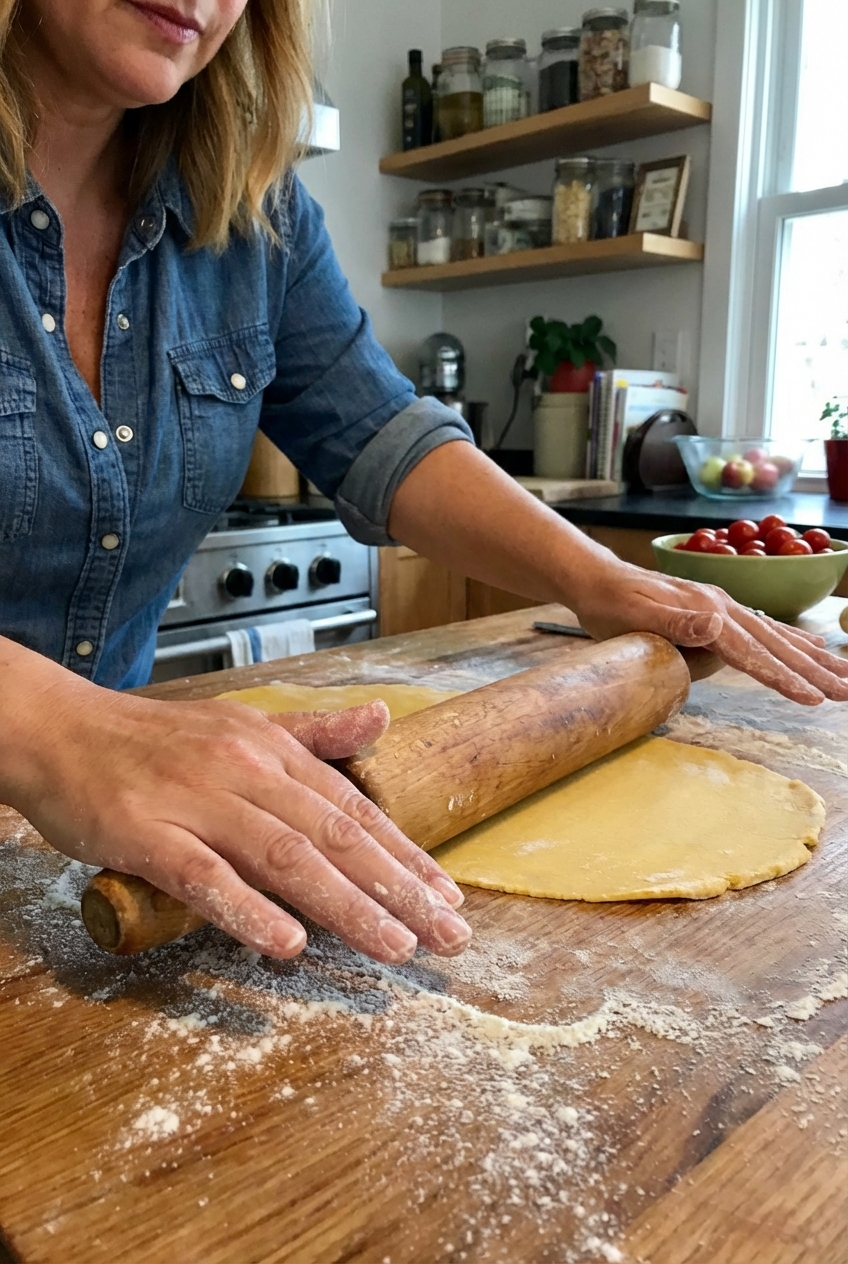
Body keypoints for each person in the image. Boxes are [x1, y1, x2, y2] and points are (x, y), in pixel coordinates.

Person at [1, 0, 845, 971]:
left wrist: (591, 578)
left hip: (116, 848)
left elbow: (384, 434)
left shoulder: (252, 209)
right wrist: (60, 728)